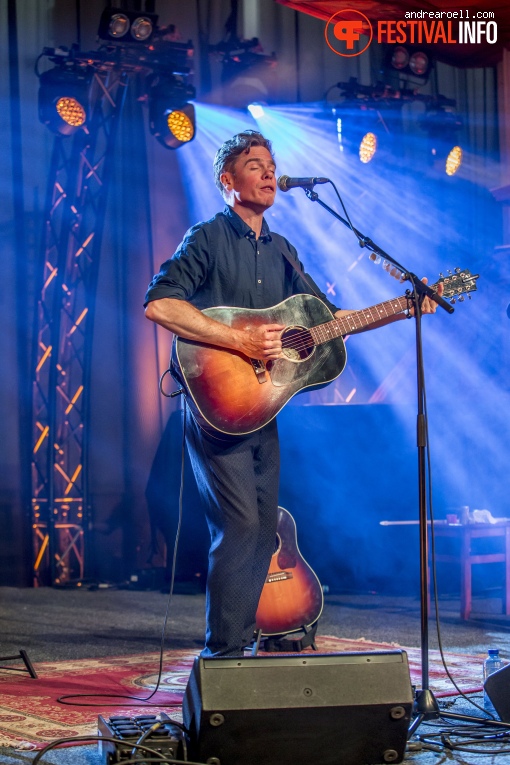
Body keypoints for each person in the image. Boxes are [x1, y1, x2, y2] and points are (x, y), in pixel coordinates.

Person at [144, 130, 442, 657]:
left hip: (263, 408)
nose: (266, 172)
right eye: (252, 164)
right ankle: (224, 655)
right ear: (227, 181)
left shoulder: (281, 249)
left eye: (269, 164)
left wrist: (400, 308)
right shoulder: (207, 238)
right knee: (239, 527)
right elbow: (161, 305)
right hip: (217, 406)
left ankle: (246, 642)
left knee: (264, 531)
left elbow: (327, 322)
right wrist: (237, 338)